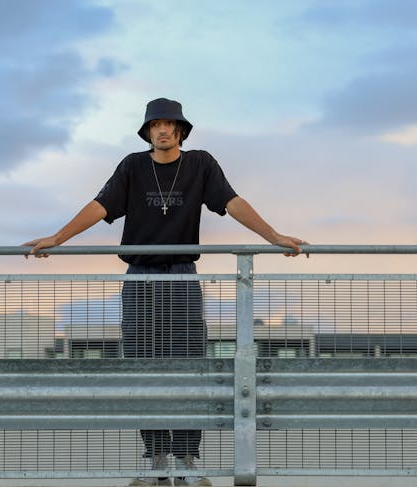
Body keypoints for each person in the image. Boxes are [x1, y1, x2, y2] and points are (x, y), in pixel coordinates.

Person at [24, 98, 307, 487]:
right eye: (155, 124)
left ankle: (188, 458)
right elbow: (99, 206)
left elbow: (233, 202)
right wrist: (57, 237)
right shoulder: (132, 166)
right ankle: (157, 457)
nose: (162, 130)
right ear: (147, 131)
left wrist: (272, 235)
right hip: (139, 277)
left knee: (192, 365)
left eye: (169, 124)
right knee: (144, 367)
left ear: (180, 130)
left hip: (182, 276)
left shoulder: (201, 164)